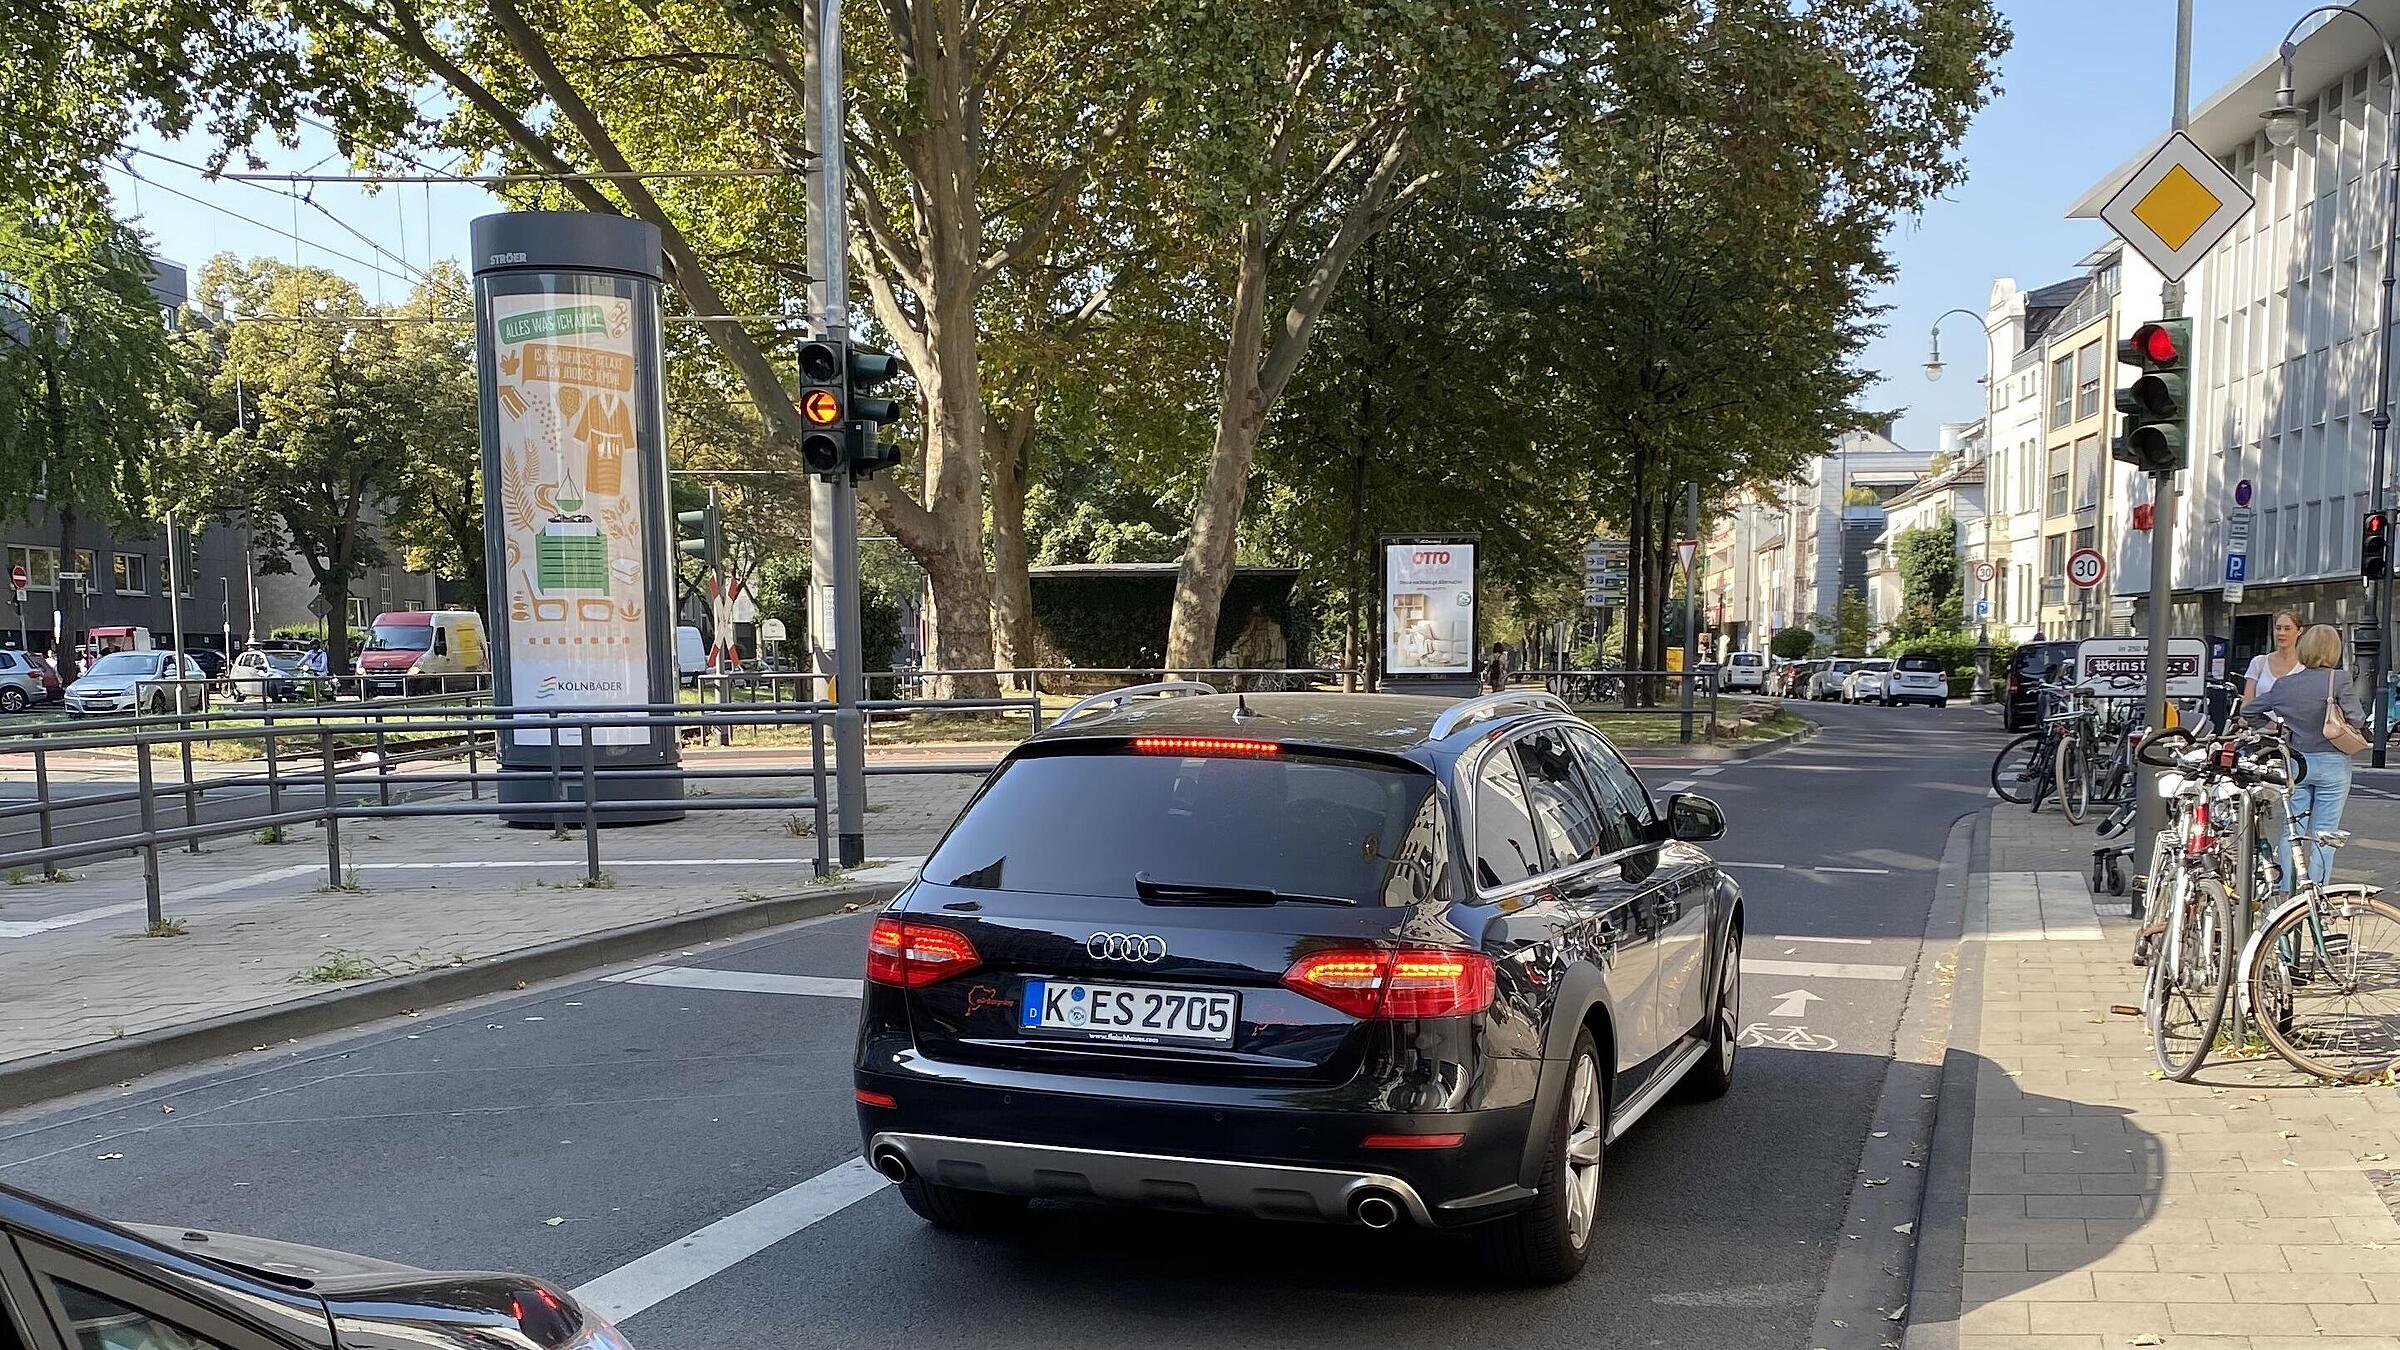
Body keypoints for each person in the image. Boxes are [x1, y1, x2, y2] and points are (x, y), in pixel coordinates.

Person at [2243, 623, 2367, 888]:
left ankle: (2287, 890)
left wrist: (2276, 728)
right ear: (2334, 651)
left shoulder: (2284, 685)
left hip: (2297, 763)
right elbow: (2357, 719)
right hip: (2333, 763)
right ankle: (2316, 894)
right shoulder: (2339, 679)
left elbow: (2250, 711)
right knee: (2326, 833)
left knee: (2292, 830)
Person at [2242, 609, 2305, 702]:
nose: (2281, 633)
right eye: (2278, 628)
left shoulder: (2305, 665)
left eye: (2287, 629)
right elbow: (2247, 702)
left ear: (2299, 631)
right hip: (2260, 716)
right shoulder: (2259, 663)